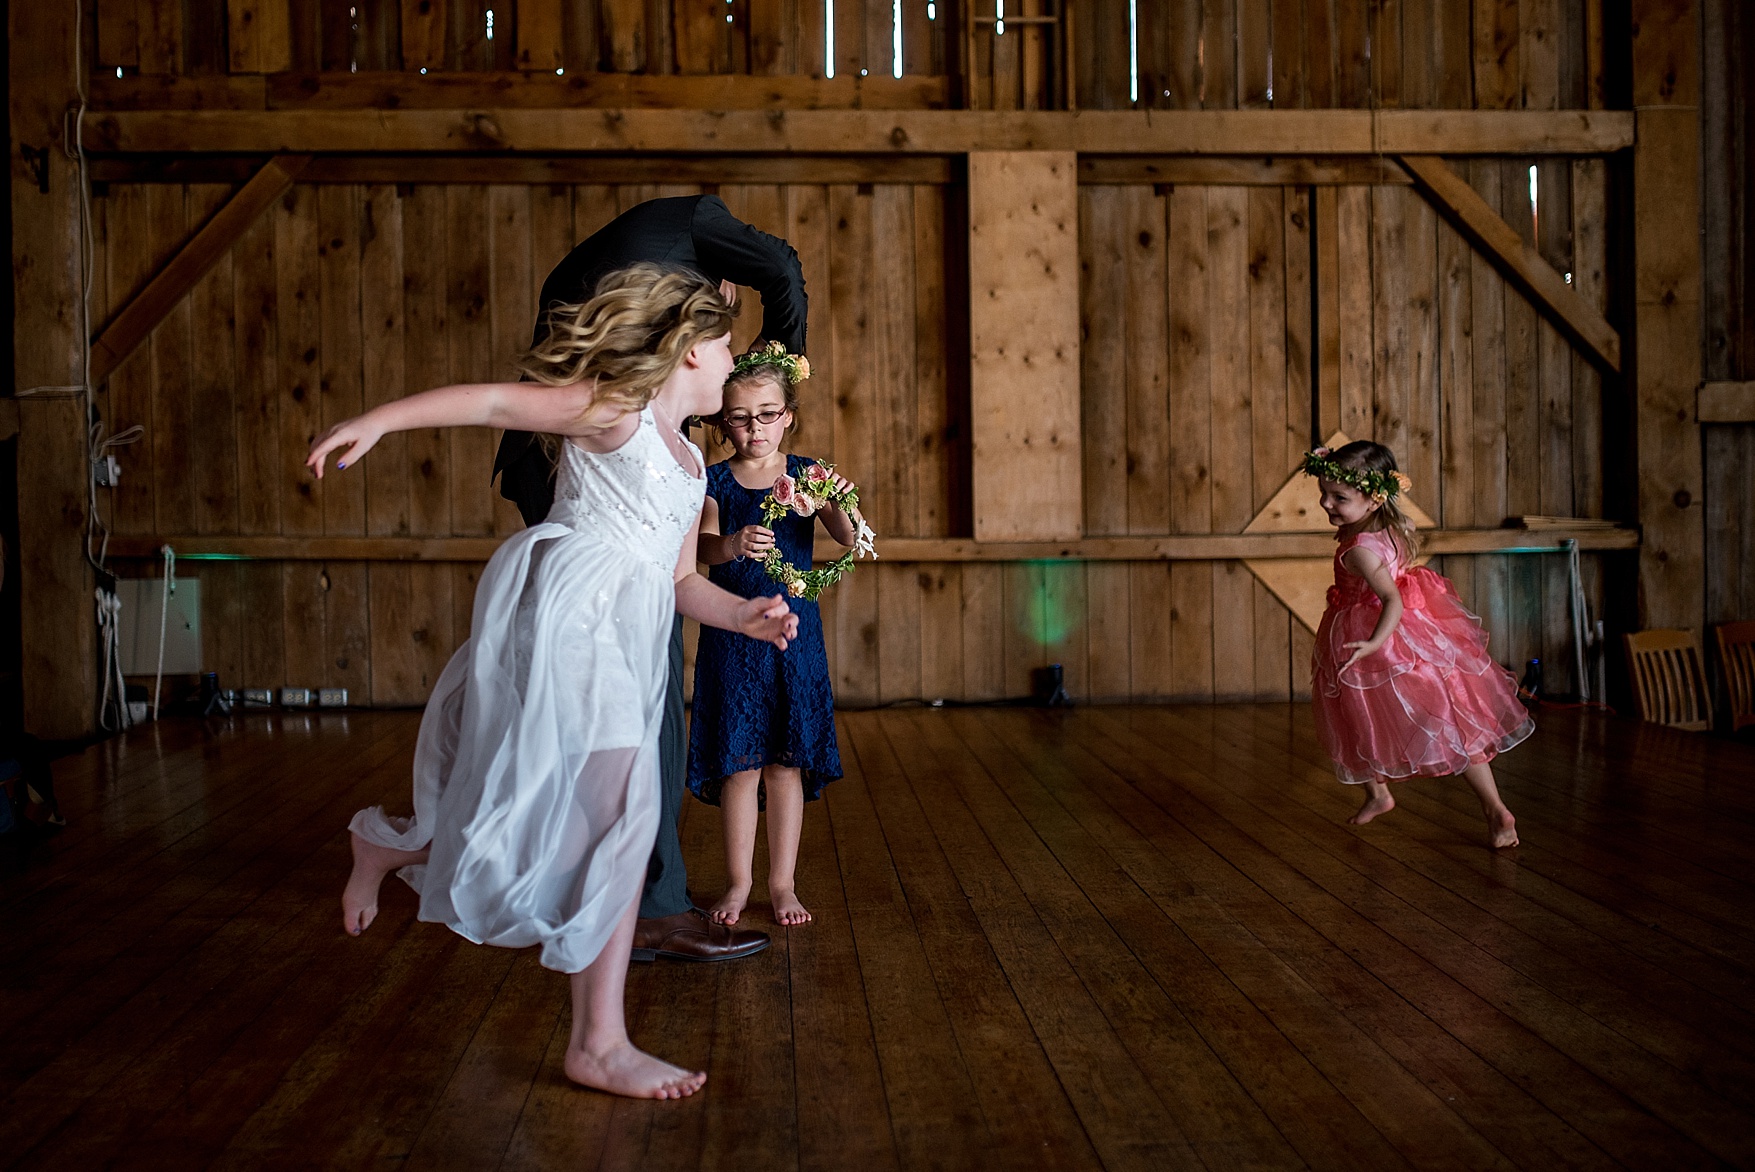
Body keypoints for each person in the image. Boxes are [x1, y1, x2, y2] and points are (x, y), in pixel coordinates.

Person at [313, 265, 799, 1099]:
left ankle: (393, 847)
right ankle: (599, 1043)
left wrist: (744, 616)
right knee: (618, 816)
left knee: (566, 812)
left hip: (627, 637)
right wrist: (378, 421)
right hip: (568, 625)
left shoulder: (689, 463)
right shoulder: (612, 412)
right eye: (721, 343)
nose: (732, 358)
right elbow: (496, 404)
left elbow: (677, 581)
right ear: (684, 351)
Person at [495, 195, 807, 964]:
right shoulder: (686, 235)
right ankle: (648, 903)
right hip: (608, 468)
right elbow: (783, 267)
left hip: (571, 463)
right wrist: (782, 367)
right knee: (643, 691)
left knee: (590, 698)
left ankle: (598, 884)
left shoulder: (634, 276)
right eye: (728, 342)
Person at [687, 350, 862, 927]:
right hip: (733, 638)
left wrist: (827, 503)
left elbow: (847, 535)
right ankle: (738, 882)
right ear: (720, 422)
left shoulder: (808, 474)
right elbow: (701, 550)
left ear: (788, 415)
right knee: (740, 764)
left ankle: (782, 883)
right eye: (739, 417)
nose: (754, 428)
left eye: (767, 414)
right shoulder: (713, 482)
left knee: (785, 764)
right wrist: (733, 544)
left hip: (794, 637)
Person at [1306, 441, 1529, 849]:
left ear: (1374, 499)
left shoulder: (1357, 552)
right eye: (1323, 492)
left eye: (1339, 497)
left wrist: (1373, 643)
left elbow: (1390, 598)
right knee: (1452, 721)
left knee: (1359, 715)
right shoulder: (1391, 527)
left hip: (1382, 640)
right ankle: (1492, 809)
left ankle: (1381, 793)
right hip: (1417, 632)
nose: (1326, 503)